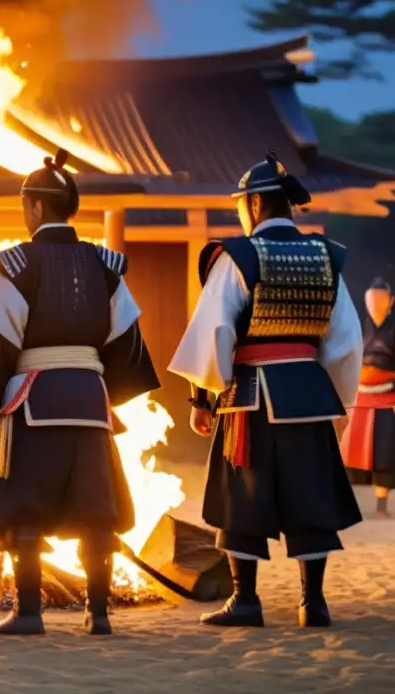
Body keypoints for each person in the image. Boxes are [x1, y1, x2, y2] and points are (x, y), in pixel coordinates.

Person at [0, 151, 160, 636]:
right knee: (97, 507)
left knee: (25, 504)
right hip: (92, 401)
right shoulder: (105, 265)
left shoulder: (14, 265)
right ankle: (99, 614)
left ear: (33, 208)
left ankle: (29, 613)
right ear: (69, 206)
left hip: (31, 400)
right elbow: (128, 341)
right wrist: (102, 389)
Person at [169, 152, 363, 629]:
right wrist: (336, 402)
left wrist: (202, 398)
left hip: (250, 397)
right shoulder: (326, 256)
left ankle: (246, 601)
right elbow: (345, 341)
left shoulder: (236, 257)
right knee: (311, 495)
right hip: (310, 396)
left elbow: (214, 332)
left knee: (243, 493)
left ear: (254, 204)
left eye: (242, 203)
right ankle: (312, 601)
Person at [341, 275, 395, 516]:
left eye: (380, 300)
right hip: (359, 397)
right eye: (371, 300)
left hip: (387, 397)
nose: (375, 305)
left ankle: (382, 506)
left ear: (391, 302)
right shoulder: (357, 328)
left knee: (384, 451)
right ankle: (350, 506)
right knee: (349, 450)